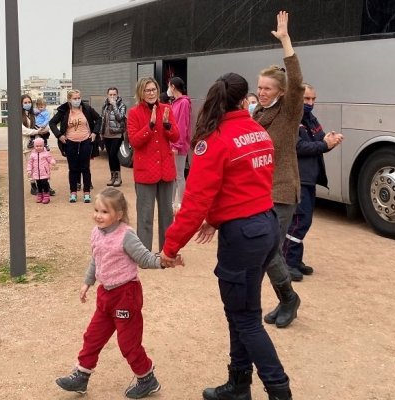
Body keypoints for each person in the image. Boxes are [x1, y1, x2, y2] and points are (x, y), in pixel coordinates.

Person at [161, 72, 293, 400]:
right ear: (243, 97)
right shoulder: (257, 131)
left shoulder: (216, 138)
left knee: (246, 318)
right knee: (239, 311)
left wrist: (170, 246)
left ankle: (279, 391)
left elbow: (194, 202)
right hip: (264, 226)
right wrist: (218, 219)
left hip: (243, 237)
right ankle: (239, 383)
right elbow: (246, 184)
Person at [56, 187, 175, 399]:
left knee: (128, 343)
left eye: (104, 212)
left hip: (126, 295)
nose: (98, 216)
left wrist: (164, 262)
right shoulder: (96, 233)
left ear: (119, 215)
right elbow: (96, 258)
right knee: (92, 336)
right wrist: (87, 282)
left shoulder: (126, 235)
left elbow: (145, 259)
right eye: (96, 210)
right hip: (105, 295)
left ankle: (147, 378)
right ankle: (81, 376)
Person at [251, 11, 304, 328]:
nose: (263, 91)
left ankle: (289, 299)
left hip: (282, 191)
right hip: (258, 192)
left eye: (268, 88)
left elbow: (297, 83)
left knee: (269, 250)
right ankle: (286, 299)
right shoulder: (257, 113)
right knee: (264, 250)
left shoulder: (289, 112)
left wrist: (285, 40)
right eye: (260, 87)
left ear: (281, 92)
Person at [282, 83, 343, 276]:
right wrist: (325, 145)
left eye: (313, 99)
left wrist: (330, 140)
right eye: (306, 99)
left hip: (309, 177)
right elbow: (299, 147)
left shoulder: (310, 118)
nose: (310, 103)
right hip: (298, 178)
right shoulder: (291, 119)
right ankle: (287, 262)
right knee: (300, 221)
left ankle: (295, 260)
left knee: (302, 220)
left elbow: (319, 140)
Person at [127, 77, 179, 251]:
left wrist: (167, 125)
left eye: (153, 89)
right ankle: (144, 254)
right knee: (145, 216)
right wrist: (149, 125)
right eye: (147, 90)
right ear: (141, 92)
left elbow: (176, 136)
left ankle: (167, 252)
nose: (151, 93)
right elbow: (134, 141)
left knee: (166, 216)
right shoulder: (134, 113)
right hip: (145, 171)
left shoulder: (166, 109)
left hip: (165, 170)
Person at [49, 89, 102, 203]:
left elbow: (98, 119)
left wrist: (94, 133)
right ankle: (73, 193)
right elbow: (52, 123)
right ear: (69, 99)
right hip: (70, 143)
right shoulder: (64, 110)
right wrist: (59, 135)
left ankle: (86, 193)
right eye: (75, 98)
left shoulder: (87, 108)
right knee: (73, 168)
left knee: (85, 168)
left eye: (79, 98)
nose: (77, 100)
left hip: (85, 141)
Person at [168, 76, 192, 212]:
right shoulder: (176, 102)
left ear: (173, 87)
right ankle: (171, 203)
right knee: (174, 175)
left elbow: (182, 125)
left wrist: (176, 145)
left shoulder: (183, 103)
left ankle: (181, 204)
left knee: (179, 175)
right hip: (174, 144)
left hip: (178, 145)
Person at [99, 87, 127, 187]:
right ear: (107, 95)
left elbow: (120, 117)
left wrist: (114, 105)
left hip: (117, 134)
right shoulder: (105, 105)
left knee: (113, 154)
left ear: (117, 95)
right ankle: (112, 176)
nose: (112, 97)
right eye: (110, 95)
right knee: (110, 157)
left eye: (114, 95)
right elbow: (103, 119)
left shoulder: (122, 105)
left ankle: (118, 177)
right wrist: (101, 133)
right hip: (106, 134)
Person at [26, 137, 56, 204]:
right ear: (34, 146)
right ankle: (39, 195)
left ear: (43, 146)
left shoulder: (46, 153)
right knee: (38, 184)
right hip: (36, 173)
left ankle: (46, 196)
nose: (38, 147)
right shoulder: (32, 154)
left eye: (40, 146)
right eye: (37, 146)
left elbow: (50, 159)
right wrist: (29, 170)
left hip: (44, 173)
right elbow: (30, 163)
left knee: (45, 184)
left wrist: (52, 161)